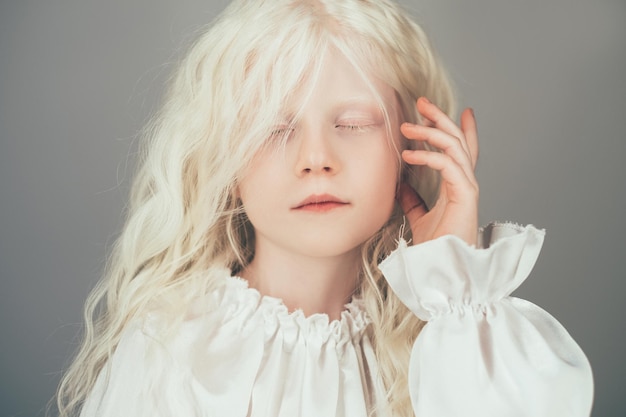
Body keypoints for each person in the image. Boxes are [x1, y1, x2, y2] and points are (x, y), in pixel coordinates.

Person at [56, 0, 594, 416]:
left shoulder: (450, 341)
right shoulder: (171, 349)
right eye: (274, 129)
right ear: (225, 163)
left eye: (353, 124)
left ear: (408, 152)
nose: (316, 159)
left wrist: (453, 282)